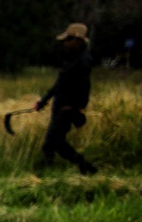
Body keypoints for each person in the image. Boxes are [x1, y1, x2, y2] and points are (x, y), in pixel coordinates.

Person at [35, 22, 98, 175]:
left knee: (55, 143)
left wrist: (76, 108)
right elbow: (59, 84)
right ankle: (46, 174)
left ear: (78, 40)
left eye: (68, 39)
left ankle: (85, 167)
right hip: (60, 105)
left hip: (68, 108)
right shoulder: (71, 59)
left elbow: (84, 88)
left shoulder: (83, 61)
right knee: (52, 143)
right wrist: (43, 101)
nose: (65, 43)